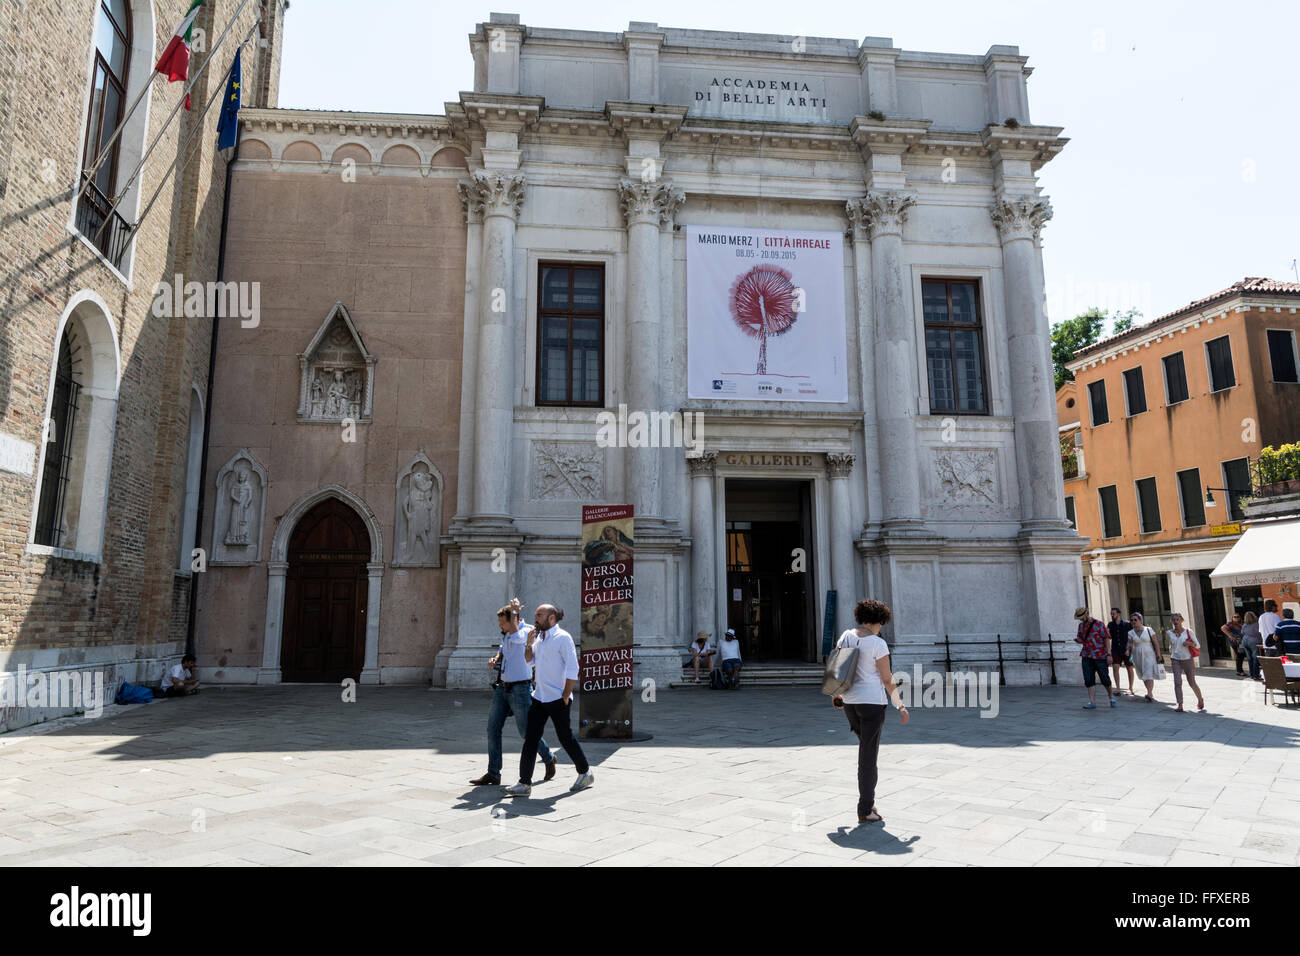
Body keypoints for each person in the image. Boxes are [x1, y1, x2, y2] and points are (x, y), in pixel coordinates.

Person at [831, 599, 908, 825]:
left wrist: (836, 695)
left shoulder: (845, 636)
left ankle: (868, 803)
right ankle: (865, 808)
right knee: (868, 757)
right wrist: (900, 705)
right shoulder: (877, 643)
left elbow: (837, 669)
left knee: (865, 748)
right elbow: (886, 679)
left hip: (851, 704)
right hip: (872, 704)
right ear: (879, 621)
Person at [504, 605, 593, 797]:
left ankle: (585, 772)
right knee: (530, 739)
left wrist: (565, 695)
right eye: (536, 614)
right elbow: (530, 661)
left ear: (551, 618)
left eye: (539, 615)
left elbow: (572, 669)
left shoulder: (563, 638)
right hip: (539, 697)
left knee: (565, 738)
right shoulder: (539, 638)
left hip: (558, 698)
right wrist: (528, 644)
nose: (535, 618)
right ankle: (524, 783)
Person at [469, 600, 557, 787]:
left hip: (521, 689)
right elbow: (504, 650)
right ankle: (493, 773)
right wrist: (496, 658)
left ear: (512, 620)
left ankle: (549, 757)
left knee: (526, 732)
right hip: (503, 688)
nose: (500, 626)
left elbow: (518, 639)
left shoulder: (525, 632)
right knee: (492, 729)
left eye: (503, 623)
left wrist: (515, 612)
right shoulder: (507, 634)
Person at [1073, 607, 1116, 709]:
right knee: (1088, 679)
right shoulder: (1081, 626)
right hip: (1086, 655)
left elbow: (1106, 639)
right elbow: (1082, 639)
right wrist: (1078, 640)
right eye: (1079, 618)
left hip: (1100, 656)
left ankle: (1111, 696)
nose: (1081, 619)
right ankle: (1092, 701)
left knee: (1105, 678)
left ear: (1087, 614)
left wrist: (1109, 654)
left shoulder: (1099, 624)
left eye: (1082, 617)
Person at [1166, 612, 1204, 713]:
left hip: (1187, 659)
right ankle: (1180, 704)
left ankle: (1200, 699)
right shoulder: (1169, 633)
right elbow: (1171, 646)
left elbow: (1198, 645)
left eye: (1177, 619)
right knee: (1177, 682)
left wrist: (1189, 643)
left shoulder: (1188, 631)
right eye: (1173, 620)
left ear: (1181, 620)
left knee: (1191, 682)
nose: (1175, 622)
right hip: (1175, 659)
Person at [1127, 612, 1163, 702]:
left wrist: (1158, 653)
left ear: (1140, 620)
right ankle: (1149, 692)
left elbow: (1155, 642)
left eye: (1135, 620)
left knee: (1148, 673)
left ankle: (1149, 693)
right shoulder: (1130, 633)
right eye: (1132, 620)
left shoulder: (1148, 629)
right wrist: (1128, 650)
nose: (1133, 622)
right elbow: (1130, 644)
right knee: (1143, 674)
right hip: (1137, 655)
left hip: (1149, 654)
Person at [1107, 608, 1135, 695]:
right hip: (1115, 649)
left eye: (1113, 613)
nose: (1112, 615)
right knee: (1115, 668)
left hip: (1126, 649)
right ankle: (1118, 688)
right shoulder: (1110, 624)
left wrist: (1129, 649)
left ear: (1118, 614)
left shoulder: (1127, 624)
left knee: (1129, 668)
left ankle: (1130, 687)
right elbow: (1108, 636)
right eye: (1111, 614)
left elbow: (1132, 638)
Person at [1240, 611, 1263, 680]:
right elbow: (1259, 633)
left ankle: (1252, 674)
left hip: (1245, 640)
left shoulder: (1244, 625)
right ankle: (1255, 675)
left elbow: (1242, 632)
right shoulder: (1257, 624)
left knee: (1249, 658)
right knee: (1255, 658)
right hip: (1254, 641)